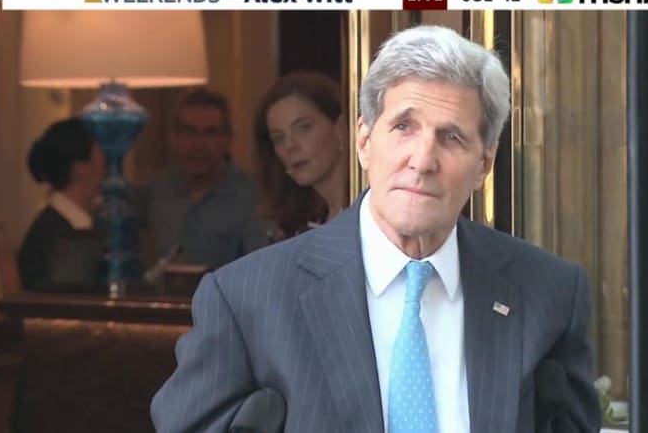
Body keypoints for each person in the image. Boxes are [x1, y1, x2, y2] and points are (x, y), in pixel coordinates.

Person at [151, 25, 602, 432]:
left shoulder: (549, 293)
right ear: (365, 141)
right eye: (404, 127)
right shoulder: (247, 299)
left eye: (451, 137)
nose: (422, 161)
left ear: (484, 162)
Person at [134, 88, 269, 270]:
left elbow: (261, 268)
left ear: (228, 140)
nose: (199, 145)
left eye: (210, 133)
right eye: (189, 132)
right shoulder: (157, 190)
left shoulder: (253, 196)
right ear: (173, 139)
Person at [254, 71, 348, 239]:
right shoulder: (302, 224)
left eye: (303, 128)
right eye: (279, 138)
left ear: (339, 128)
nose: (290, 146)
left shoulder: (373, 213)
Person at [18, 117, 107, 292]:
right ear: (80, 167)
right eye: (101, 150)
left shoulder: (72, 228)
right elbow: (71, 302)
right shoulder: (64, 238)